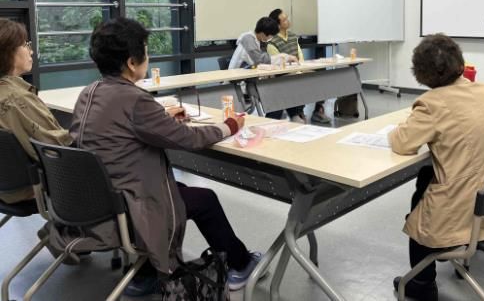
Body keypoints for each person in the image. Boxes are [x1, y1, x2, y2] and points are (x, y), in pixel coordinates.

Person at [61, 18, 260, 296]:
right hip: (130, 203)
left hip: (100, 198)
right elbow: (188, 139)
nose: (148, 56)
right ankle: (241, 264)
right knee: (205, 199)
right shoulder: (135, 99)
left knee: (182, 190)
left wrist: (161, 119)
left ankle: (145, 273)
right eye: (145, 51)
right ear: (132, 62)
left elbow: (122, 127)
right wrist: (229, 126)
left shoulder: (90, 92)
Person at [389, 34, 484, 301]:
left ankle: (421, 283)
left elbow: (402, 143)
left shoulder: (431, 104)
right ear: (460, 63)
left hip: (462, 206)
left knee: (421, 206)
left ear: (420, 74)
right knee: (426, 176)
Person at [0, 18, 73, 204]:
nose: (31, 51)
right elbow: (57, 148)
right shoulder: (16, 99)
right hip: (31, 188)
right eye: (26, 45)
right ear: (8, 52)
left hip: (6, 186)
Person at [267, 8, 330, 124]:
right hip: (284, 75)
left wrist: (301, 68)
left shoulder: (292, 36)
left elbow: (299, 55)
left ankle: (318, 110)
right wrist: (296, 70)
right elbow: (277, 64)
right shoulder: (272, 42)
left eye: (287, 18)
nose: (288, 21)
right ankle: (297, 113)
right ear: (278, 25)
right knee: (297, 82)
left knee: (321, 78)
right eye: (284, 20)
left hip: (298, 70)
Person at [228, 16, 296, 70]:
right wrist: (285, 57)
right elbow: (260, 60)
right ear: (263, 34)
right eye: (271, 36)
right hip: (237, 79)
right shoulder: (248, 39)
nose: (271, 38)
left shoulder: (255, 40)